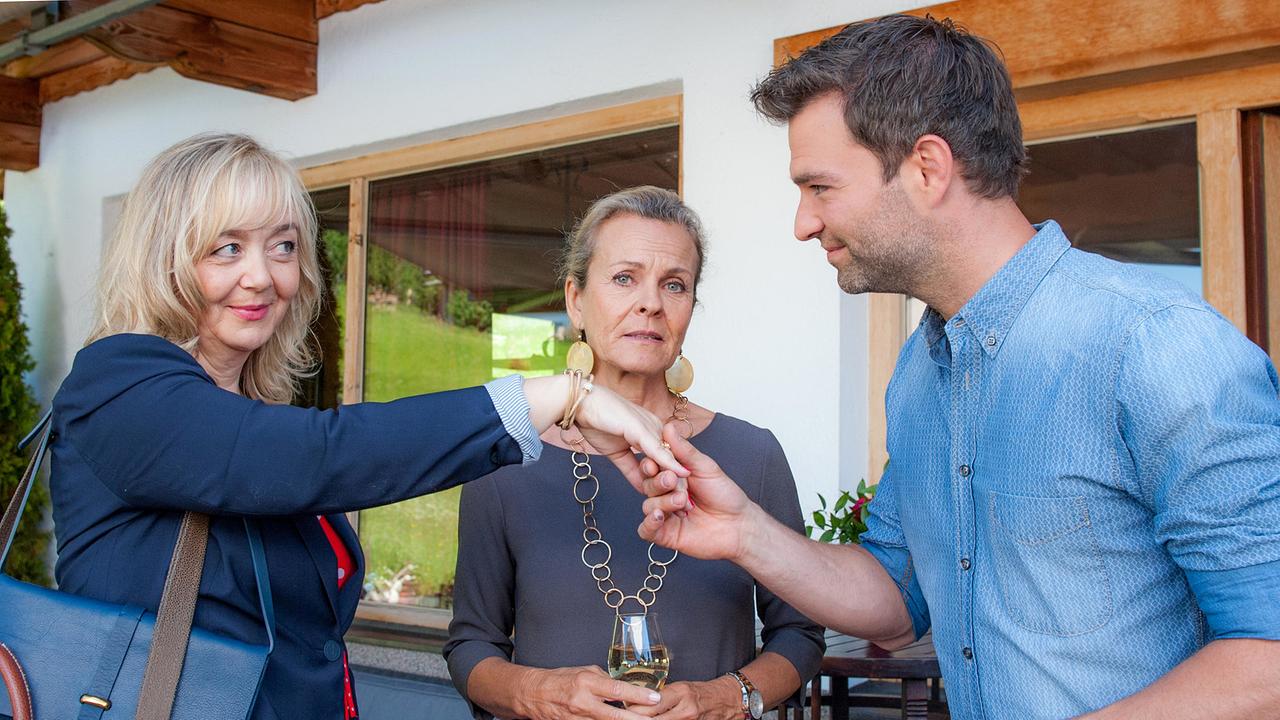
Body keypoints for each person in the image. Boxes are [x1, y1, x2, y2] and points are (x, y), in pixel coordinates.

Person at [638, 14, 1280, 720]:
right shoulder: (920, 371)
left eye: (820, 187)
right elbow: (893, 601)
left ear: (927, 167)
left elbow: (1269, 655)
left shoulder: (1155, 347)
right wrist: (745, 534)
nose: (803, 222)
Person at [47, 133, 686, 720]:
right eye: (227, 247)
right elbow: (309, 458)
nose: (263, 276)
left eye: (284, 245)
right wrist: (553, 395)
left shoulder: (257, 419)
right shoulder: (119, 380)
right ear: (164, 257)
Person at [444, 186, 824, 720]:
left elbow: (800, 636)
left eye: (675, 285)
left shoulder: (750, 455)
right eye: (624, 278)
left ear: (691, 308)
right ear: (576, 300)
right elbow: (470, 647)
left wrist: (723, 698)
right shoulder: (507, 461)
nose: (650, 302)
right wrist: (540, 693)